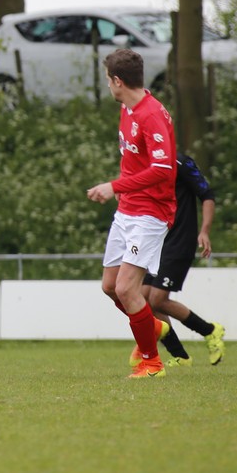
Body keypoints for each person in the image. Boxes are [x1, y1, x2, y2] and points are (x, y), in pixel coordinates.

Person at [87, 48, 177, 379]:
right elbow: (135, 161)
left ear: (117, 81)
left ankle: (152, 363)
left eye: (107, 80)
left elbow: (163, 169)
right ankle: (151, 326)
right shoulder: (127, 108)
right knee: (111, 286)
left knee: (127, 288)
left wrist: (114, 186)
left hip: (150, 213)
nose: (107, 86)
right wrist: (121, 190)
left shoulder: (151, 115)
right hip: (128, 209)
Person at [130, 152, 226, 369]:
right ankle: (180, 356)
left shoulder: (180, 162)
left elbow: (207, 195)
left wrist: (205, 231)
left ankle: (210, 331)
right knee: (143, 297)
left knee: (158, 299)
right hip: (156, 241)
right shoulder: (143, 166)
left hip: (180, 240)